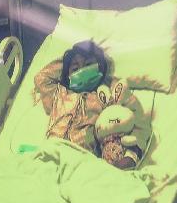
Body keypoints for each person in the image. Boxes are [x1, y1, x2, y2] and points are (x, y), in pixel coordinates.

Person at [33, 40, 146, 169]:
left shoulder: (104, 96)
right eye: (75, 69)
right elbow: (41, 77)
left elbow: (135, 119)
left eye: (88, 66)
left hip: (82, 161)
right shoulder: (58, 94)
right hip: (50, 155)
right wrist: (71, 55)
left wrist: (132, 155)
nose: (81, 71)